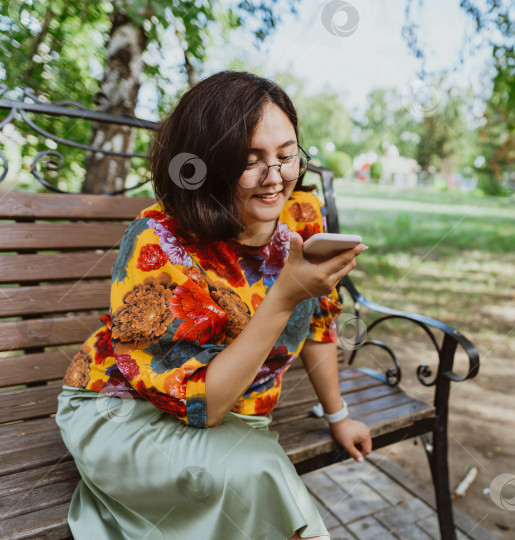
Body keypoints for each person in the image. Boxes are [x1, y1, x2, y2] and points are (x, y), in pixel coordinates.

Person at [56, 71, 371, 540]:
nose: (276, 178)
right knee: (260, 473)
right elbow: (204, 405)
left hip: (236, 413)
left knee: (256, 474)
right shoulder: (159, 240)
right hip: (127, 411)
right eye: (251, 161)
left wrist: (338, 416)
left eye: (286, 156)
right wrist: (284, 295)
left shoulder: (301, 213)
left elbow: (320, 322)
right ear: (208, 163)